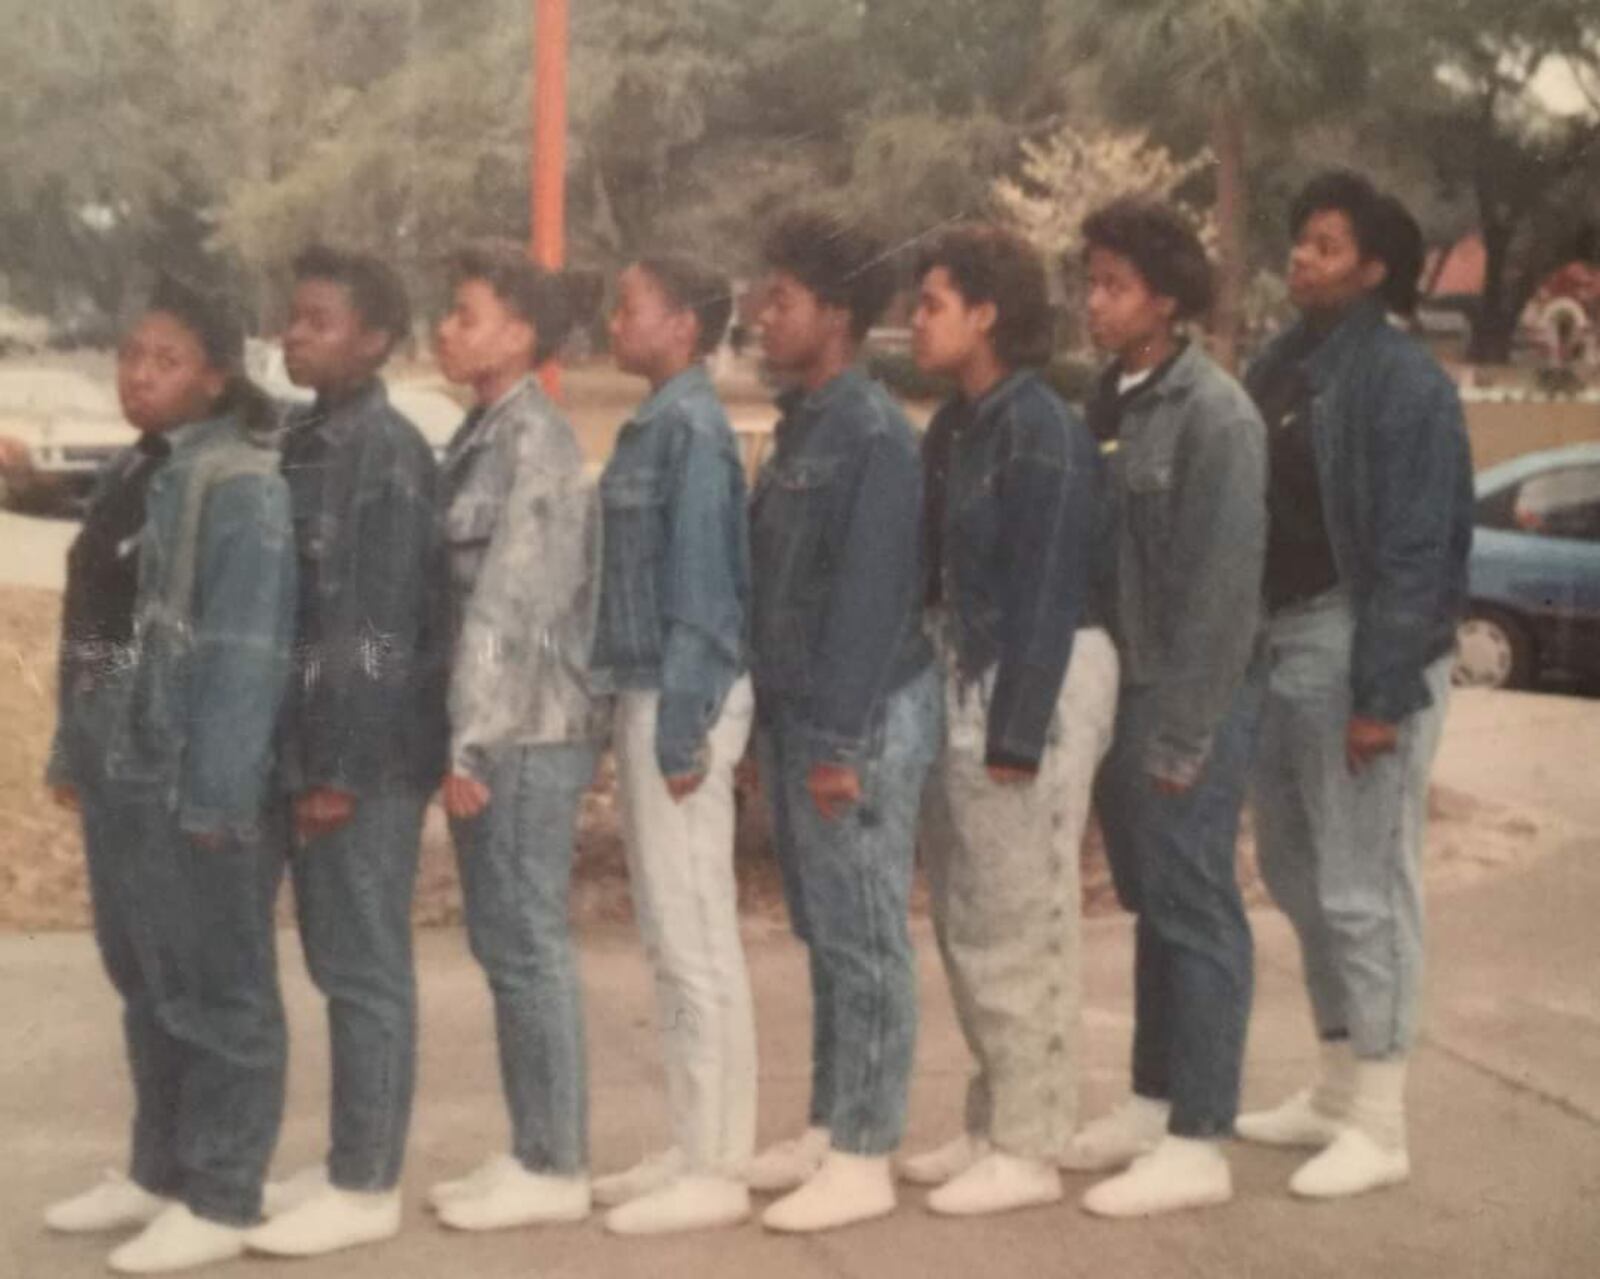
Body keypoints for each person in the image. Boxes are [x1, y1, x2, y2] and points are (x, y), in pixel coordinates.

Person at [42, 277, 297, 1274]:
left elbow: (244, 651)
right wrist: (75, 751)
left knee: (217, 987)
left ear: (217, 376)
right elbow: (95, 624)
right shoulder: (138, 472)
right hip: (120, 760)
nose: (138, 376)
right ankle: (160, 1170)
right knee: (144, 977)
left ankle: (224, 1192)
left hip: (194, 769)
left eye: (166, 360)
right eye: (130, 356)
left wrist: (221, 797)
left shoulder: (238, 484)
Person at [1235, 172, 1473, 1200]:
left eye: (1326, 244)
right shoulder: (1280, 365)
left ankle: (1381, 1118)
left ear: (1375, 269)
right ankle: (1334, 1084)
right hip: (1277, 640)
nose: (1301, 256)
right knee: (1293, 870)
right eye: (1299, 239)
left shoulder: (1402, 382)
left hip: (1355, 640)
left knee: (1362, 882)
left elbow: (1418, 549)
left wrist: (1380, 692)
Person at [898, 224, 1118, 1217]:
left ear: (987, 313)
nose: (912, 319)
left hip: (1032, 680)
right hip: (967, 675)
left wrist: (1017, 734)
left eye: (931, 302)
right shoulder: (956, 427)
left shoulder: (1042, 429)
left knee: (1020, 917)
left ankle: (1030, 1142)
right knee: (969, 914)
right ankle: (997, 1115)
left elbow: (1046, 588)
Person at [1064, 198, 1269, 1218]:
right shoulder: (1107, 403)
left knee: (1196, 909)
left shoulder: (1213, 414)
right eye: (1089, 281)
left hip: (1187, 695)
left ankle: (1201, 1136)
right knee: (1154, 906)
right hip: (1121, 695)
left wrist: (1186, 734)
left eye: (1113, 284)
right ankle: (1153, 1102)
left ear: (1168, 299)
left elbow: (1225, 597)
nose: (1093, 302)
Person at [245, 247, 448, 1259]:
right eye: (293, 316)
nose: (294, 333)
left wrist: (336, 768)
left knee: (365, 969)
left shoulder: (386, 453)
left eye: (318, 320)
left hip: (359, 762)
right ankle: (342, 1163)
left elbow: (376, 631)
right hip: (309, 749)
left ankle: (367, 1183)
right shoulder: (304, 436)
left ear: (373, 340)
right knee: (336, 962)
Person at [742, 210, 941, 1233]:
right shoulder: (800, 426)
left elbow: (868, 602)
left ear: (838, 313)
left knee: (865, 937)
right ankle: (831, 1121)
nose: (759, 316)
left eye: (780, 301)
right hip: (800, 716)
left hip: (855, 717)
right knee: (825, 932)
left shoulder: (871, 434)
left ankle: (866, 1151)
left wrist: (833, 745)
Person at [426, 242, 605, 1231]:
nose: (447, 330)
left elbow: (508, 607)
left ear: (520, 332)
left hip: (525, 733)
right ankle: (533, 1144)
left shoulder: (533, 444)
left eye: (465, 313)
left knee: (526, 943)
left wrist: (470, 744)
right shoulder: (482, 434)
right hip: (503, 729)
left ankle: (556, 1162)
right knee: (505, 943)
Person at [586, 256, 757, 1235]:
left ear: (683, 326)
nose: (615, 321)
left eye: (631, 307)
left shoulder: (690, 430)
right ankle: (697, 1141)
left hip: (680, 697)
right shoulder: (659, 423)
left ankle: (716, 1163)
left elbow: (702, 590)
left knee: (693, 935)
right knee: (678, 931)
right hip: (654, 690)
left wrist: (684, 724)